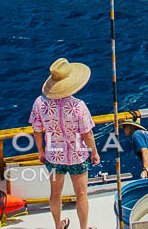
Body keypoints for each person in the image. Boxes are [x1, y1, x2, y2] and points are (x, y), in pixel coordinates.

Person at [31, 58, 100, 229]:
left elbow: (37, 130)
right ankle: (83, 227)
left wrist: (40, 151)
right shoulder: (79, 106)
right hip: (77, 156)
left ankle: (58, 226)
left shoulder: (40, 103)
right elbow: (87, 133)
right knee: (81, 194)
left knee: (55, 194)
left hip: (53, 156)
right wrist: (94, 152)